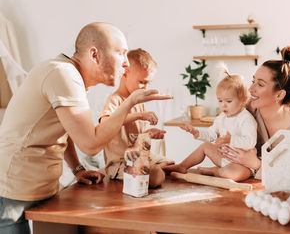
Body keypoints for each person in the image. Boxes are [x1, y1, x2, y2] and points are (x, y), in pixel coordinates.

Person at [0, 22, 172, 233]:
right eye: (121, 53)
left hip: (41, 187)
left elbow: (68, 128)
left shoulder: (71, 77)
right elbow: (90, 145)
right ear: (94, 55)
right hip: (14, 190)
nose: (126, 63)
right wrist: (130, 102)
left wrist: (77, 168)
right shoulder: (63, 74)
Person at [220, 46, 290, 179]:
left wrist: (256, 164)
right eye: (253, 81)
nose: (250, 89)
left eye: (260, 85)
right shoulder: (246, 110)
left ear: (279, 95)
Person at [99, 48, 174, 187]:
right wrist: (139, 115)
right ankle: (109, 172)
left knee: (170, 165)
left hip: (140, 156)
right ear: (125, 74)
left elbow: (136, 138)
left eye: (148, 83)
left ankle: (152, 170)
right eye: (142, 82)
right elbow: (105, 123)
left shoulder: (139, 102)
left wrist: (149, 134)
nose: (145, 88)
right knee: (156, 175)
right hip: (120, 162)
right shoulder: (114, 100)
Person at [163, 71, 257, 182]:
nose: (223, 105)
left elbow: (250, 142)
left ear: (243, 99)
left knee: (228, 174)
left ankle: (215, 171)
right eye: (220, 101)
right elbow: (211, 135)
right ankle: (182, 166)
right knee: (205, 146)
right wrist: (196, 133)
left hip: (242, 164)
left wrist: (230, 139)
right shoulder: (222, 117)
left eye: (228, 101)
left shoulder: (246, 119)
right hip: (224, 158)